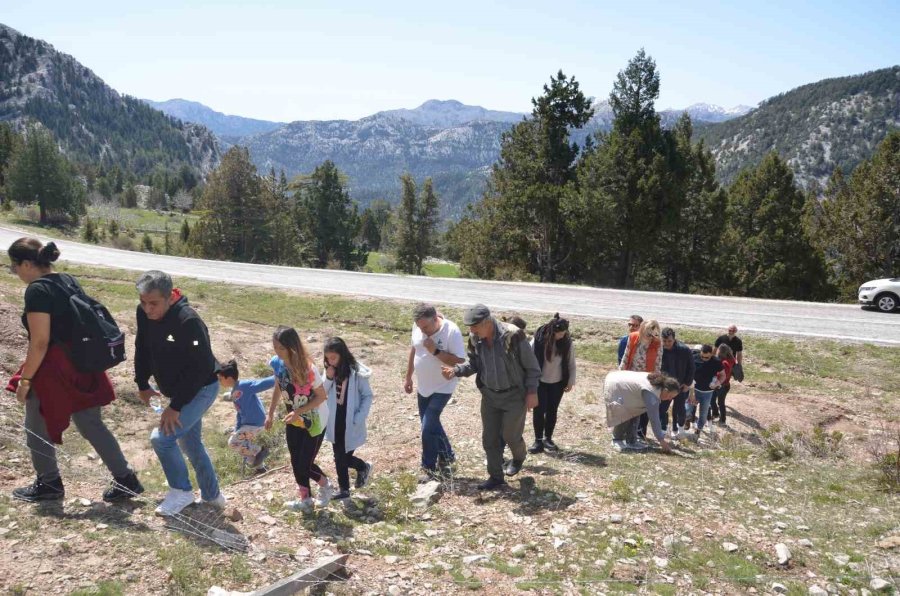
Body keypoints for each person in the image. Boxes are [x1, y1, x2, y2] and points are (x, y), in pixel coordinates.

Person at [6, 238, 142, 503]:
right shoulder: (67, 279)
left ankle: (49, 484)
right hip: (83, 363)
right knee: (91, 423)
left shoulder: (37, 290)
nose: (16, 272)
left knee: (36, 425)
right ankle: (126, 479)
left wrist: (25, 380)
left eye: (14, 267)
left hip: (55, 369)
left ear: (26, 263)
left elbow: (40, 341)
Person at [134, 270, 223, 516]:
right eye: (143, 302)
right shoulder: (144, 314)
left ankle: (181, 492)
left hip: (202, 388)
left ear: (170, 297)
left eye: (154, 304)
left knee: (162, 439)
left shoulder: (188, 321)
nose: (148, 309)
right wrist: (142, 383)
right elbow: (142, 346)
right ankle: (213, 496)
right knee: (192, 445)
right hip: (180, 391)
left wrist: (176, 407)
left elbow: (202, 366)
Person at [442, 304, 541, 491]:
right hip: (490, 396)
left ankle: (519, 456)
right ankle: (496, 477)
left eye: (474, 326)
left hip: (514, 395)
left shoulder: (513, 335)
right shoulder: (475, 338)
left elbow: (532, 367)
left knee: (511, 435)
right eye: (470, 327)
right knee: (489, 439)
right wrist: (456, 371)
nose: (471, 331)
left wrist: (532, 392)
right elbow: (474, 364)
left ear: (487, 322)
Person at [266, 326, 332, 511]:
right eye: (275, 347)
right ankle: (306, 500)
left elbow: (321, 397)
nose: (277, 352)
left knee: (305, 464)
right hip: (293, 419)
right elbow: (279, 386)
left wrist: (299, 411)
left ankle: (326, 485)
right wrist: (270, 413)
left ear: (291, 347)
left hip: (315, 421)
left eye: (280, 348)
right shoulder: (277, 363)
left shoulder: (308, 369)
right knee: (296, 461)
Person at [403, 303, 466, 481]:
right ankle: (447, 455)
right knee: (431, 423)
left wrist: (435, 351)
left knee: (427, 427)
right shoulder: (418, 327)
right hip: (423, 386)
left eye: (426, 327)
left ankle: (428, 467)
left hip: (443, 386)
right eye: (419, 326)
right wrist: (408, 377)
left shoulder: (451, 331)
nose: (422, 331)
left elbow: (460, 361)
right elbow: (414, 350)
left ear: (435, 319)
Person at [323, 337, 374, 500]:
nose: (330, 361)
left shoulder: (356, 372)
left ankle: (362, 467)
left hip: (350, 420)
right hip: (334, 419)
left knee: (342, 456)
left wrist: (359, 417)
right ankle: (344, 489)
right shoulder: (329, 370)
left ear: (342, 355)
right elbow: (321, 393)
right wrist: (329, 377)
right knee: (338, 455)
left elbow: (367, 395)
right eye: (327, 358)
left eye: (333, 358)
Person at [529, 314, 576, 453]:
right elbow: (529, 360)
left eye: (564, 333)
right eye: (560, 333)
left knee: (552, 410)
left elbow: (571, 362)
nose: (562, 335)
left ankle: (547, 438)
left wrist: (571, 381)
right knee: (539, 410)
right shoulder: (538, 340)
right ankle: (538, 441)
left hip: (558, 382)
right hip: (540, 381)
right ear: (552, 332)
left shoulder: (567, 342)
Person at [218, 359, 274, 472]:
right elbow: (239, 413)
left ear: (228, 378)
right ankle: (259, 467)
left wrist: (278, 377)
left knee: (233, 443)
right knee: (244, 446)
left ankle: (260, 450)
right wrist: (237, 428)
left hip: (256, 423)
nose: (219, 381)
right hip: (248, 425)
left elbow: (261, 384)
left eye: (220, 378)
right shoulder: (235, 392)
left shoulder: (243, 386)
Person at [604, 370, 678, 452]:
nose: (670, 399)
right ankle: (617, 440)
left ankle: (631, 440)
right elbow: (654, 419)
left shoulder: (657, 385)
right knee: (624, 411)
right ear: (665, 390)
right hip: (615, 384)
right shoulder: (652, 393)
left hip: (619, 380)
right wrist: (661, 441)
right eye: (670, 396)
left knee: (636, 410)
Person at [620, 320, 662, 439]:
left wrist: (656, 385)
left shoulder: (658, 343)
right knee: (626, 406)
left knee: (638, 409)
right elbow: (626, 357)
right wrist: (620, 373)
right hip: (630, 377)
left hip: (645, 380)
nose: (649, 338)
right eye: (647, 334)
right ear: (642, 330)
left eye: (652, 335)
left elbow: (658, 365)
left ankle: (634, 435)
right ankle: (621, 434)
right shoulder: (633, 337)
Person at [660, 328, 694, 439]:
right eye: (664, 341)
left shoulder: (684, 350)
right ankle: (663, 430)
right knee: (662, 408)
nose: (667, 344)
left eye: (669, 341)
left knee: (680, 409)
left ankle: (679, 430)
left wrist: (687, 383)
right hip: (665, 387)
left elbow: (691, 368)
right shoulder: (659, 350)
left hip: (681, 386)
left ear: (674, 339)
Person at [688, 344, 725, 437]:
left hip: (707, 393)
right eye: (702, 357)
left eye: (707, 357)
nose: (704, 359)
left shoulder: (716, 362)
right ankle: (686, 423)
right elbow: (687, 371)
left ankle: (698, 430)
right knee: (687, 410)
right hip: (694, 390)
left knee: (703, 415)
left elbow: (723, 375)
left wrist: (717, 383)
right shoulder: (694, 358)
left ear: (712, 354)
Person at [710, 344, 736, 425]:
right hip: (724, 384)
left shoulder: (724, 362)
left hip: (722, 385)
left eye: (718, 350)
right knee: (713, 400)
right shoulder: (732, 360)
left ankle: (722, 419)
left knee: (720, 403)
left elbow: (724, 375)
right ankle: (716, 414)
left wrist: (715, 377)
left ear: (720, 351)